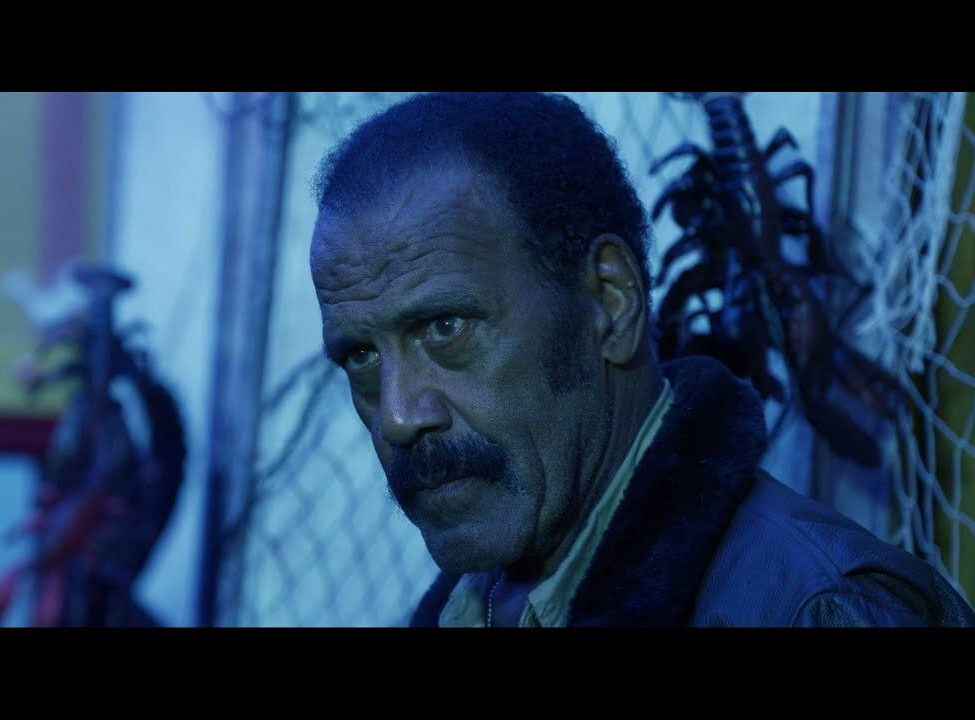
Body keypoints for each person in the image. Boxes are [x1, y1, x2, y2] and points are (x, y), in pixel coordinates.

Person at [307, 92, 975, 627]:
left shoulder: (821, 608)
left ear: (611, 301)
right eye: (361, 356)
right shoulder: (466, 605)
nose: (397, 415)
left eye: (446, 327)